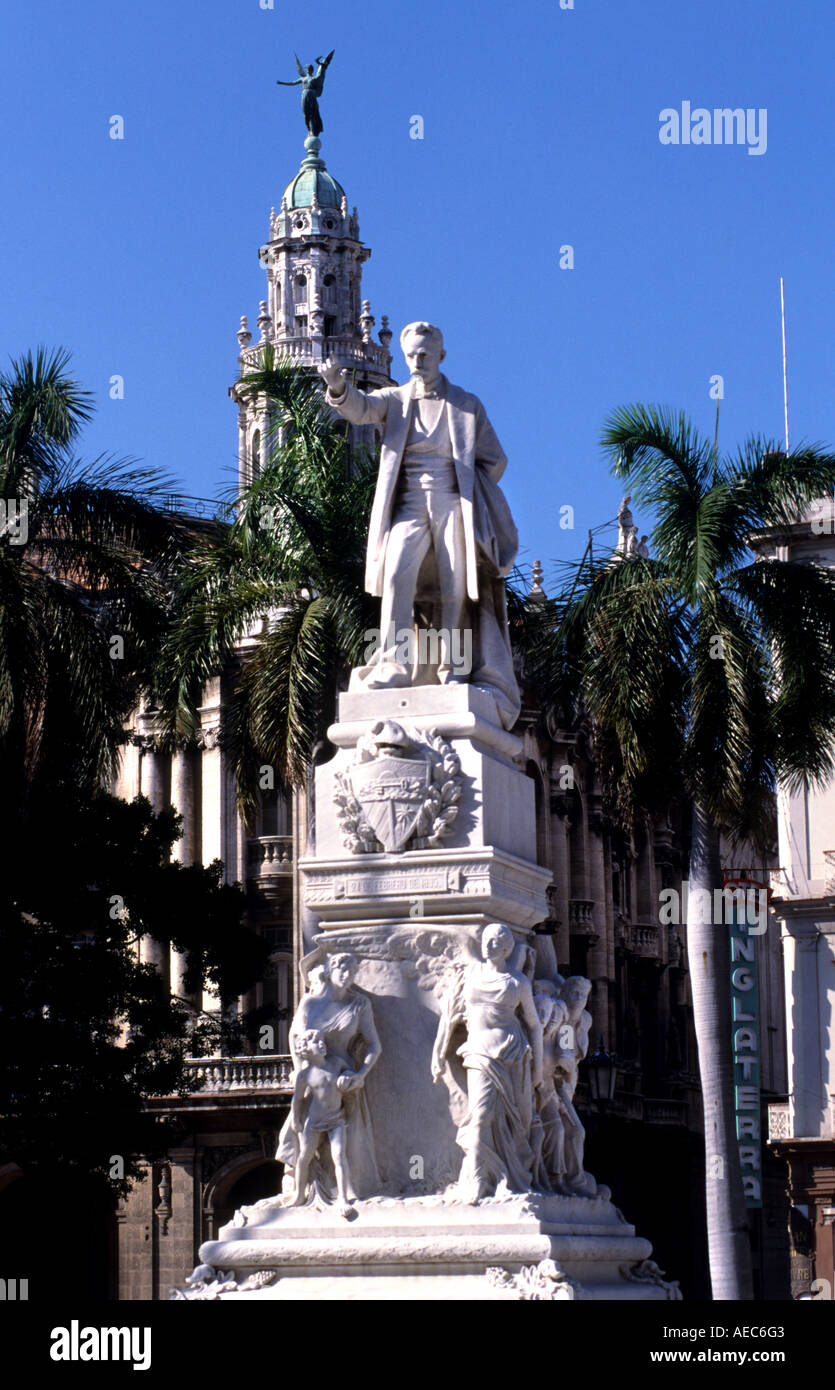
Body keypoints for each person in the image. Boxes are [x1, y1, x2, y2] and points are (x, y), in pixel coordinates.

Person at [319, 322, 520, 730]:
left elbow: (494, 460)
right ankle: (393, 663)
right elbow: (360, 408)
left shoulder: (466, 405)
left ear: (441, 356)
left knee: (455, 585)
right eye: (411, 355)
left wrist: (471, 489)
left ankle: (453, 666)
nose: (417, 362)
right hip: (408, 505)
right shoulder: (395, 400)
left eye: (424, 355)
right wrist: (338, 389)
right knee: (395, 576)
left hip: (452, 503)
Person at [432, 923, 543, 1203]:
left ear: (507, 948)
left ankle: (505, 1177)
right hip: (479, 1051)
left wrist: (538, 1067)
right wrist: (438, 1051)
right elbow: (450, 1016)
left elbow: (534, 1025)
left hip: (511, 1051)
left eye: (495, 941)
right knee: (480, 1117)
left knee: (513, 1121)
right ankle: (479, 1178)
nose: (488, 944)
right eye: (486, 939)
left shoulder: (518, 982)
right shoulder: (469, 974)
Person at [277, 952, 382, 1202]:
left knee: (344, 1146)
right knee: (300, 1141)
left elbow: (374, 1046)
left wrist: (359, 1075)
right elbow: (296, 1039)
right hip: (312, 1075)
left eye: (352, 972)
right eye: (343, 971)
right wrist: (300, 1069)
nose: (347, 977)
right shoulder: (310, 1003)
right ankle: (305, 1192)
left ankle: (346, 1193)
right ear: (331, 971)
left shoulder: (359, 1004)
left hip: (342, 1078)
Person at [286, 1029, 355, 1219]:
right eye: (317, 1043)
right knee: (304, 1157)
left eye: (323, 1041)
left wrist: (348, 1076)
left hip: (336, 1119)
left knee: (339, 1156)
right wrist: (296, 1119)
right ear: (306, 1050)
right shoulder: (305, 1075)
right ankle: (299, 1195)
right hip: (314, 1121)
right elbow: (298, 1100)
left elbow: (351, 1073)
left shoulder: (337, 1064)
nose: (322, 1044)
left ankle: (343, 1197)